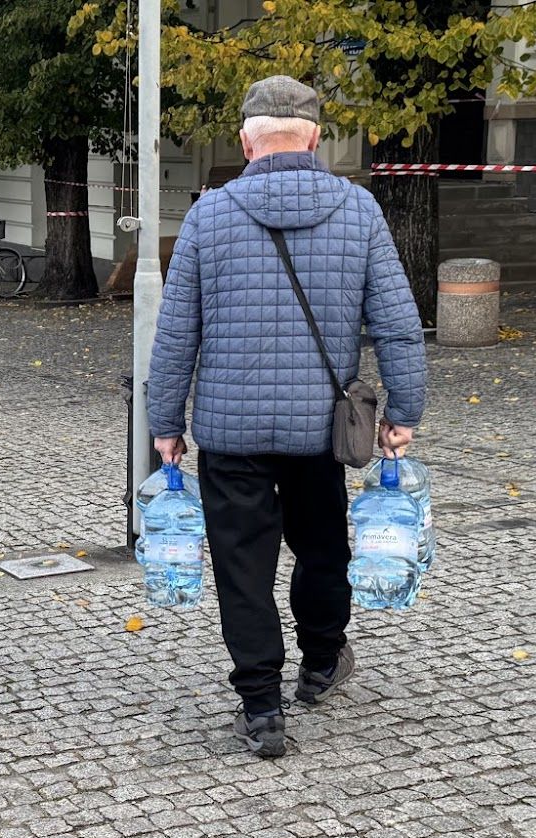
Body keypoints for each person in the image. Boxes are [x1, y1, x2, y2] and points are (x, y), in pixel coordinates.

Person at [147, 75, 427, 758]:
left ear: (247, 142)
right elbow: (397, 324)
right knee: (322, 546)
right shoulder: (358, 210)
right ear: (314, 138)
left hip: (230, 429)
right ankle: (322, 660)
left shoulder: (209, 216)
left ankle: (261, 706)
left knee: (242, 565)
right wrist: (403, 410)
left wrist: (165, 423)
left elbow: (176, 334)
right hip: (318, 428)